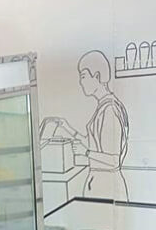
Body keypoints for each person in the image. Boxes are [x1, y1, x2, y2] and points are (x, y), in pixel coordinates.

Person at [50, 50, 130, 201]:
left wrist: (85, 152)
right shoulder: (103, 107)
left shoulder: (110, 109)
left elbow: (114, 160)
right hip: (100, 182)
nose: (81, 82)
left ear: (97, 76)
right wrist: (67, 128)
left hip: (106, 186)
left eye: (83, 76)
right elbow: (94, 143)